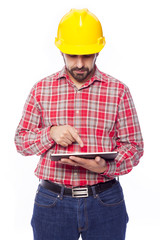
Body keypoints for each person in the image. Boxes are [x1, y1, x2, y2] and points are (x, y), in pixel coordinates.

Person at [14, 8, 144, 240]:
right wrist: (50, 133)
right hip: (52, 203)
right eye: (73, 55)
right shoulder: (41, 89)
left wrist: (104, 168)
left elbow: (135, 147)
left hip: (105, 201)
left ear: (98, 51)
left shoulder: (118, 91)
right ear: (61, 51)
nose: (80, 63)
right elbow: (21, 143)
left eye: (87, 55)